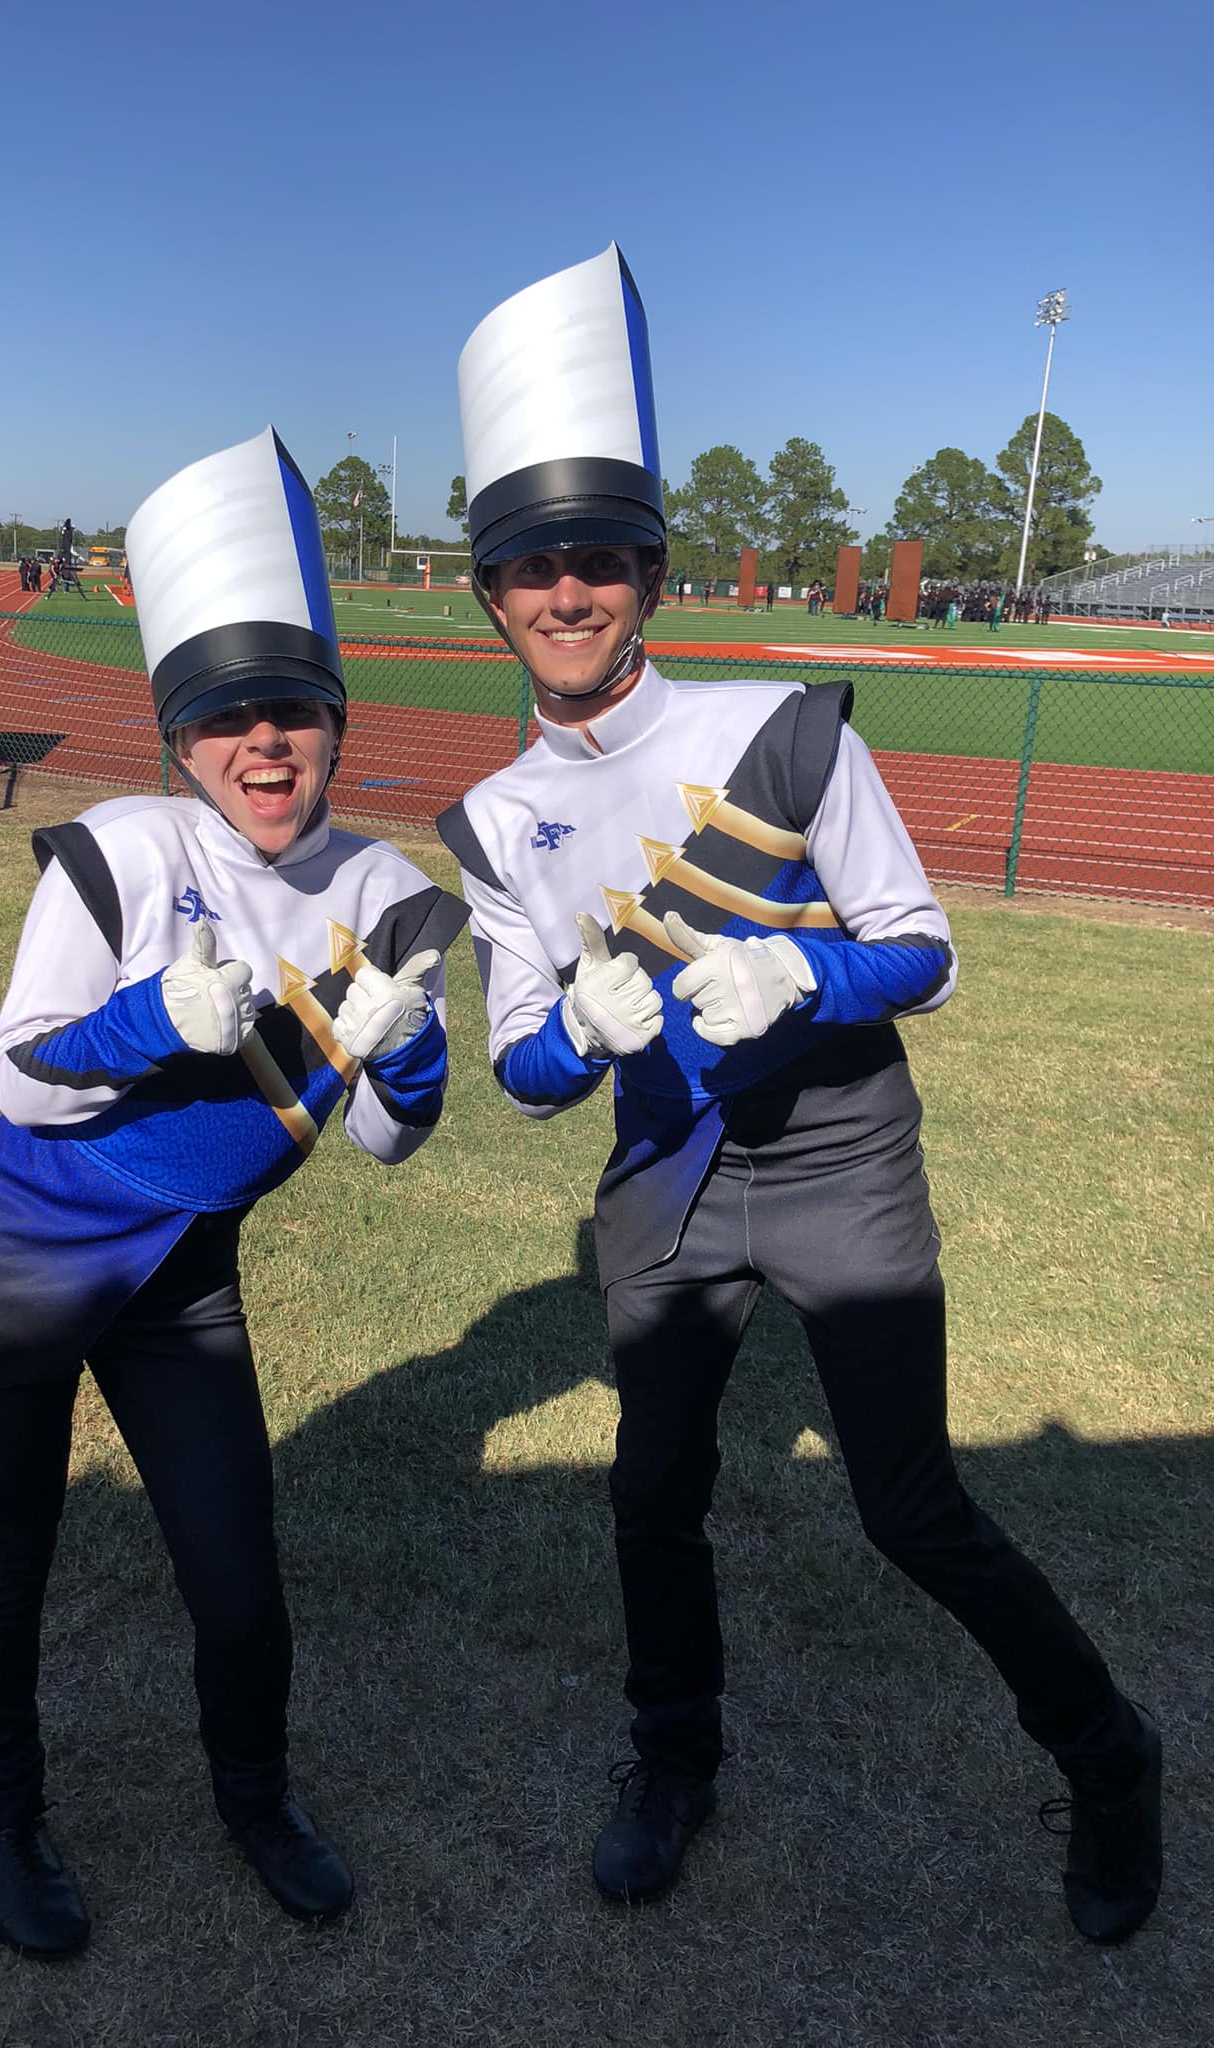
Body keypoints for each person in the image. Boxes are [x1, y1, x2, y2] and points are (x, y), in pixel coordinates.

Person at [435, 245, 1161, 1945]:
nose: (567, 593)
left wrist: (805, 976)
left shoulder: (785, 731)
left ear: (650, 577)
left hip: (838, 1151)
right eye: (531, 566)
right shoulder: (485, 823)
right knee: (650, 1488)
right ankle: (673, 1759)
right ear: (489, 594)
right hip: (665, 1178)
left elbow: (924, 950)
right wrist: (584, 1035)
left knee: (909, 1508)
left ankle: (1111, 1756)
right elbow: (525, 1076)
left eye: (600, 559)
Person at [0, 426, 466, 1958]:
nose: (262, 746)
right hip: (22, 1250)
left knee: (237, 1570)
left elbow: (389, 1145)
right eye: (225, 720)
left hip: (183, 1279)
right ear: (180, 738)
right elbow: (15, 1079)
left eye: (293, 713)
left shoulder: (389, 899)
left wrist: (407, 1074)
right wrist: (151, 1018)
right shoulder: (124, 853)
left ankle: (256, 1797)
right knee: (4, 1559)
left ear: (336, 724)